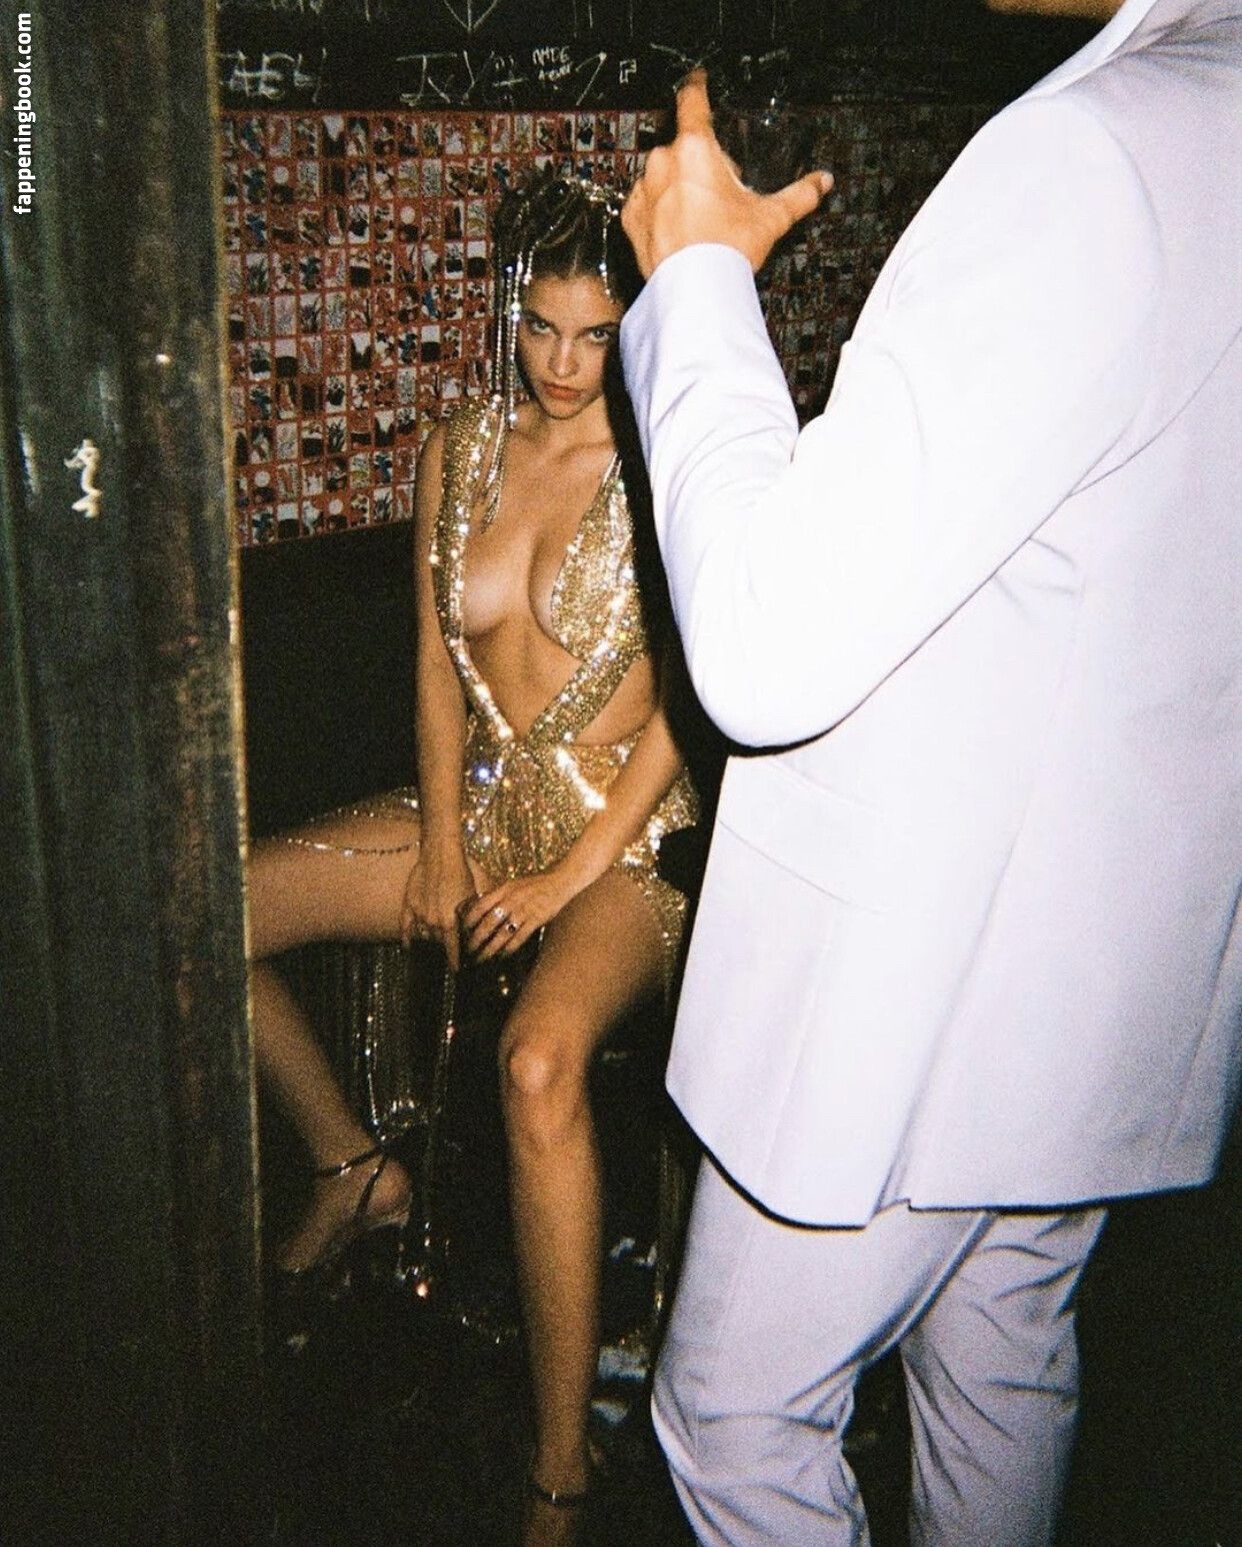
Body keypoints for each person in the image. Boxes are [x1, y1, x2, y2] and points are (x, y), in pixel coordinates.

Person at [617, 0, 1241, 1542]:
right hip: (1119, 976)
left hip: (920, 997)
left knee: (737, 1423)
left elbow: (763, 641)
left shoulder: (1092, 155)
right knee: (999, 1361)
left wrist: (697, 278)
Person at [248, 173, 698, 1547]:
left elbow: (687, 710)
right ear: (513, 315)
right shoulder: (456, 449)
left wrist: (565, 880)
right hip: (482, 807)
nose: (564, 365)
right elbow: (437, 672)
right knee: (209, 911)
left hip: (627, 844)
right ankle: (350, 1167)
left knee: (537, 1065)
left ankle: (559, 1474)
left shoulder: (674, 466)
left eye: (596, 335)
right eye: (543, 329)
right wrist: (441, 842)